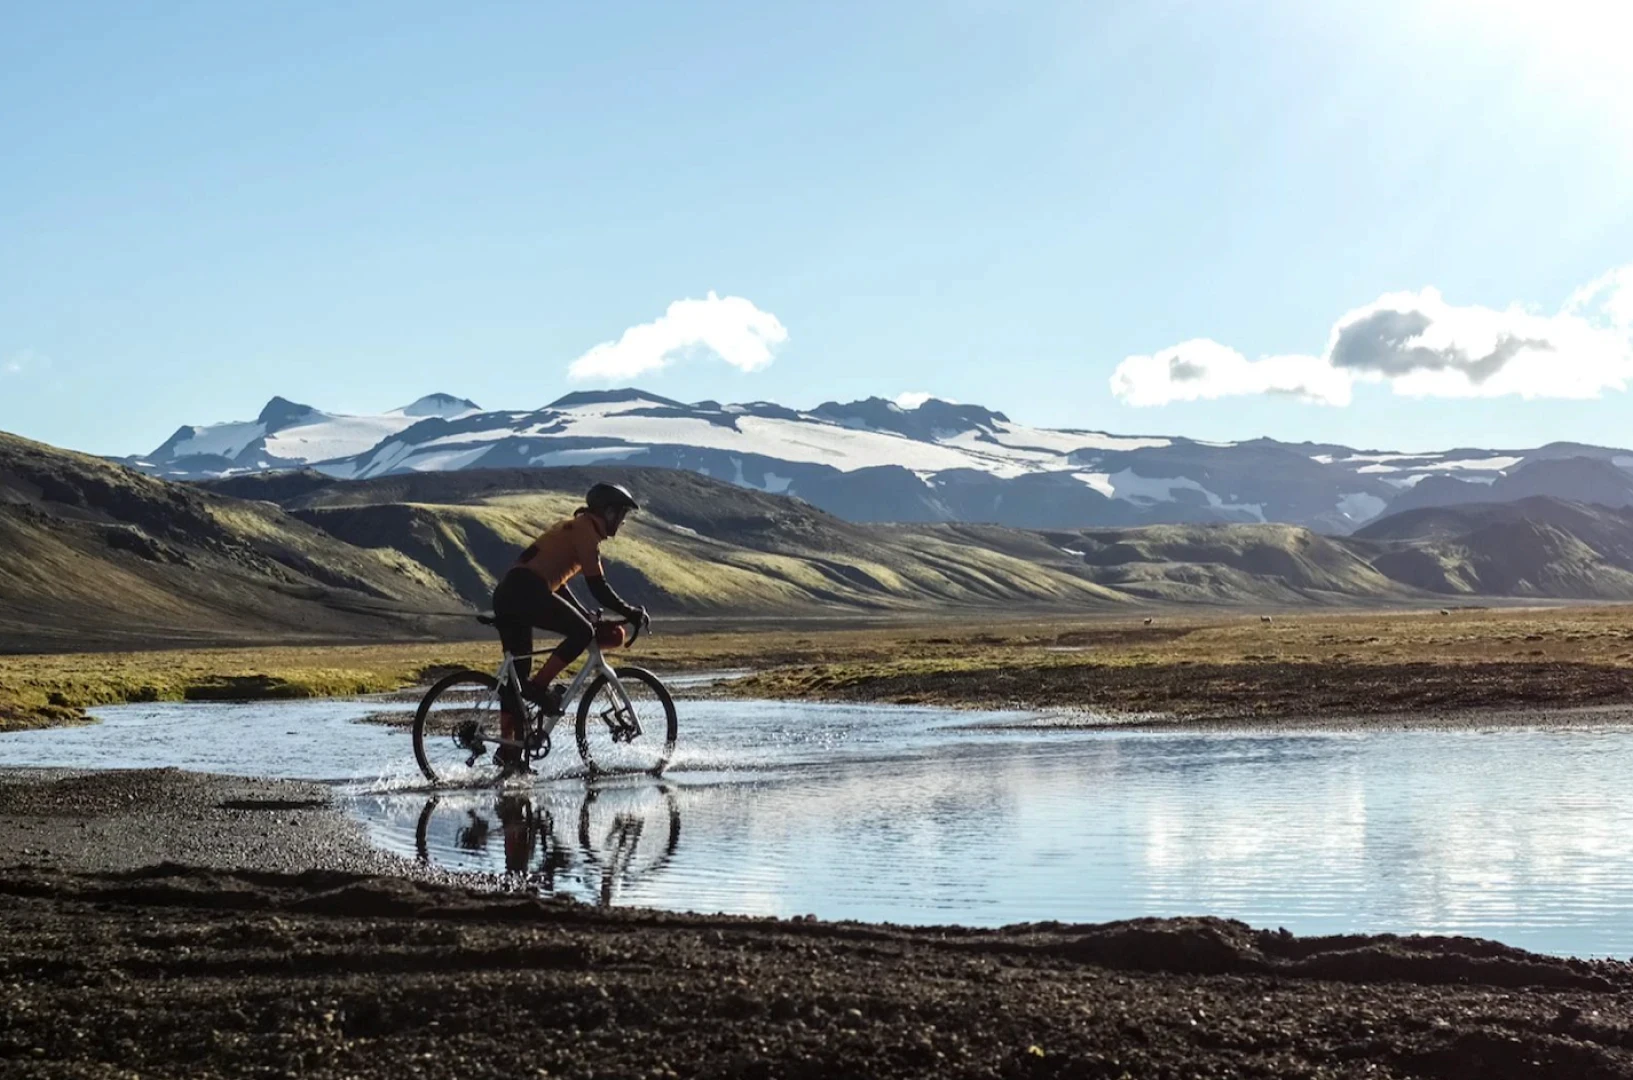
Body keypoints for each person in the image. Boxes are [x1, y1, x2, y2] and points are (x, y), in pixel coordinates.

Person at [490, 481, 649, 771]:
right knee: (581, 633)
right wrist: (630, 611)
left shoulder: (572, 528)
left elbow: (556, 583)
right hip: (526, 589)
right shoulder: (585, 533)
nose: (623, 522)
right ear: (609, 512)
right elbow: (598, 587)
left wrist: (581, 612)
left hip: (511, 592)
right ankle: (538, 689)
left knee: (517, 676)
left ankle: (508, 750)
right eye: (621, 515)